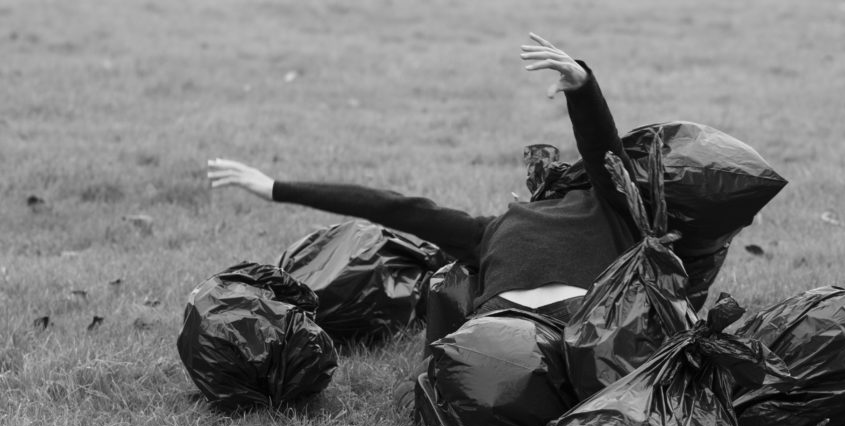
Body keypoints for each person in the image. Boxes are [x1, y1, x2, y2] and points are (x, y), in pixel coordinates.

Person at [207, 33, 640, 334]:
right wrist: (276, 188)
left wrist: (582, 88)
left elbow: (605, 154)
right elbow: (396, 208)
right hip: (509, 338)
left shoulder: (614, 207)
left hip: (562, 331)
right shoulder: (488, 229)